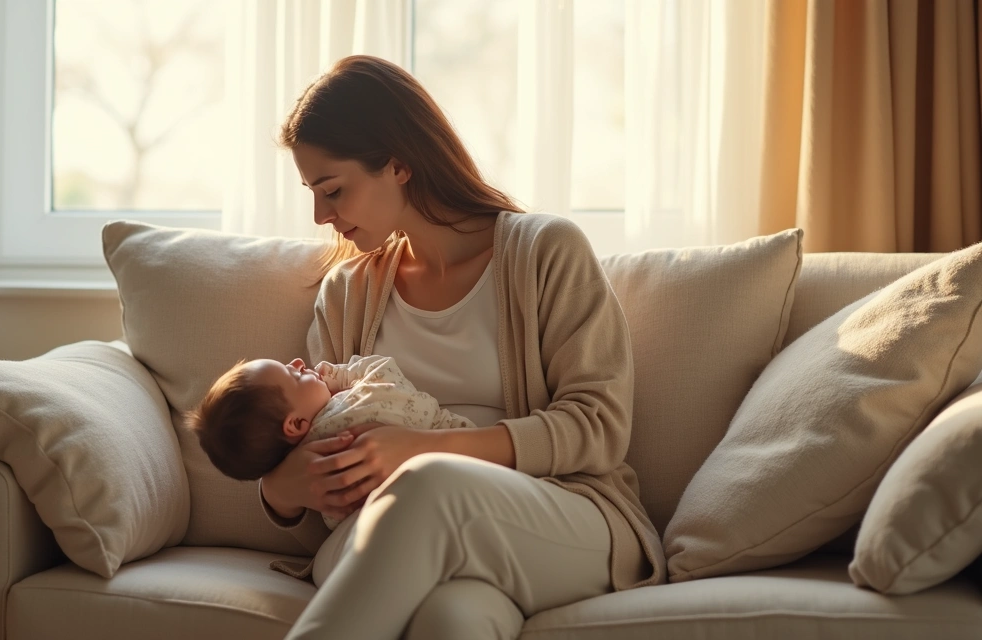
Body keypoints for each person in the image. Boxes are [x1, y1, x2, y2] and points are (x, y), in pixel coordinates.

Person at [258, 55, 666, 640]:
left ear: (397, 165)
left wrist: (422, 448)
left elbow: (598, 427)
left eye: (332, 189)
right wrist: (282, 490)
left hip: (559, 512)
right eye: (312, 193)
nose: (321, 215)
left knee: (427, 484)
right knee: (454, 620)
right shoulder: (347, 293)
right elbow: (313, 453)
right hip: (394, 529)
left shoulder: (545, 252)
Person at [187, 354, 475, 530]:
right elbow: (386, 373)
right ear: (296, 424)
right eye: (296, 374)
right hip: (460, 470)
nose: (300, 362)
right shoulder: (350, 408)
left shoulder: (309, 464)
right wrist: (340, 376)